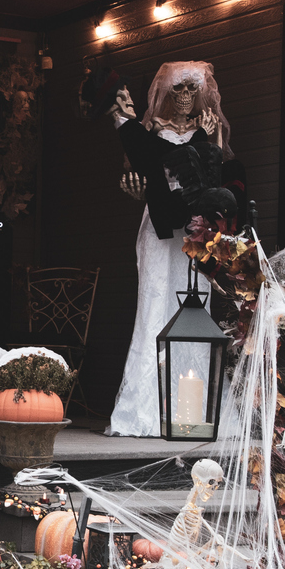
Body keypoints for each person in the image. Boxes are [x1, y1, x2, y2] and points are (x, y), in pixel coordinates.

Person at [91, 61, 251, 437]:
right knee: (153, 305)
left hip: (194, 231)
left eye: (190, 91)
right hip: (160, 227)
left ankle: (193, 406)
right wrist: (136, 186)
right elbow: (142, 172)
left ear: (200, 96)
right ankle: (144, 409)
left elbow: (215, 174)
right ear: (167, 93)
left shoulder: (208, 133)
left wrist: (212, 142)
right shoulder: (149, 132)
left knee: (194, 307)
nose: (183, 98)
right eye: (177, 90)